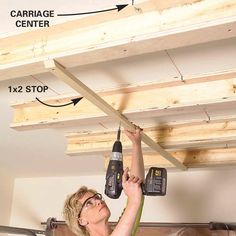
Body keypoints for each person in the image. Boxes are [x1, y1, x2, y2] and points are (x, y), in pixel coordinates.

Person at [63, 127, 145, 236]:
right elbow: (135, 200)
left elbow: (137, 188)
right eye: (89, 203)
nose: (98, 202)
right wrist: (134, 199)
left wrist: (136, 144)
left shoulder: (123, 229)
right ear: (81, 221)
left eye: (97, 197)